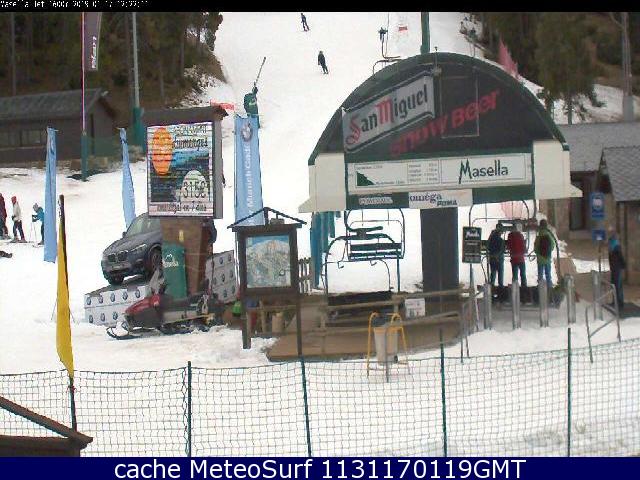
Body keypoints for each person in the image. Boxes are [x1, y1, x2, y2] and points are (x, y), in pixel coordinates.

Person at [534, 219, 555, 289]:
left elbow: (535, 248)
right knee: (548, 274)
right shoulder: (549, 235)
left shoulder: (539, 236)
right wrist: (548, 251)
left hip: (540, 259)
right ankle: (549, 286)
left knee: (540, 274)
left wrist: (539, 253)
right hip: (547, 258)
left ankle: (540, 287)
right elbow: (553, 245)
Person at [608, 231, 626, 310]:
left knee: (616, 285)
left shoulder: (612, 247)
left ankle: (617, 301)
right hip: (616, 268)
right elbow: (620, 257)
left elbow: (613, 258)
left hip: (615, 268)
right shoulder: (616, 246)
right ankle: (618, 301)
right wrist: (623, 265)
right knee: (617, 285)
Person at [506, 223, 527, 287]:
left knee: (515, 275)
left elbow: (508, 246)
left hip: (514, 258)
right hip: (521, 258)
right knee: (523, 274)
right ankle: (524, 287)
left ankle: (515, 287)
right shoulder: (520, 235)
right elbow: (523, 247)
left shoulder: (510, 236)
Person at [487, 224, 505, 289]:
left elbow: (488, 246)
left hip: (492, 257)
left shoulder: (491, 237)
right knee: (500, 272)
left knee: (493, 272)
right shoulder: (500, 240)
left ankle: (492, 285)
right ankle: (500, 286)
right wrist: (497, 255)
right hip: (499, 258)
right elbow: (502, 249)